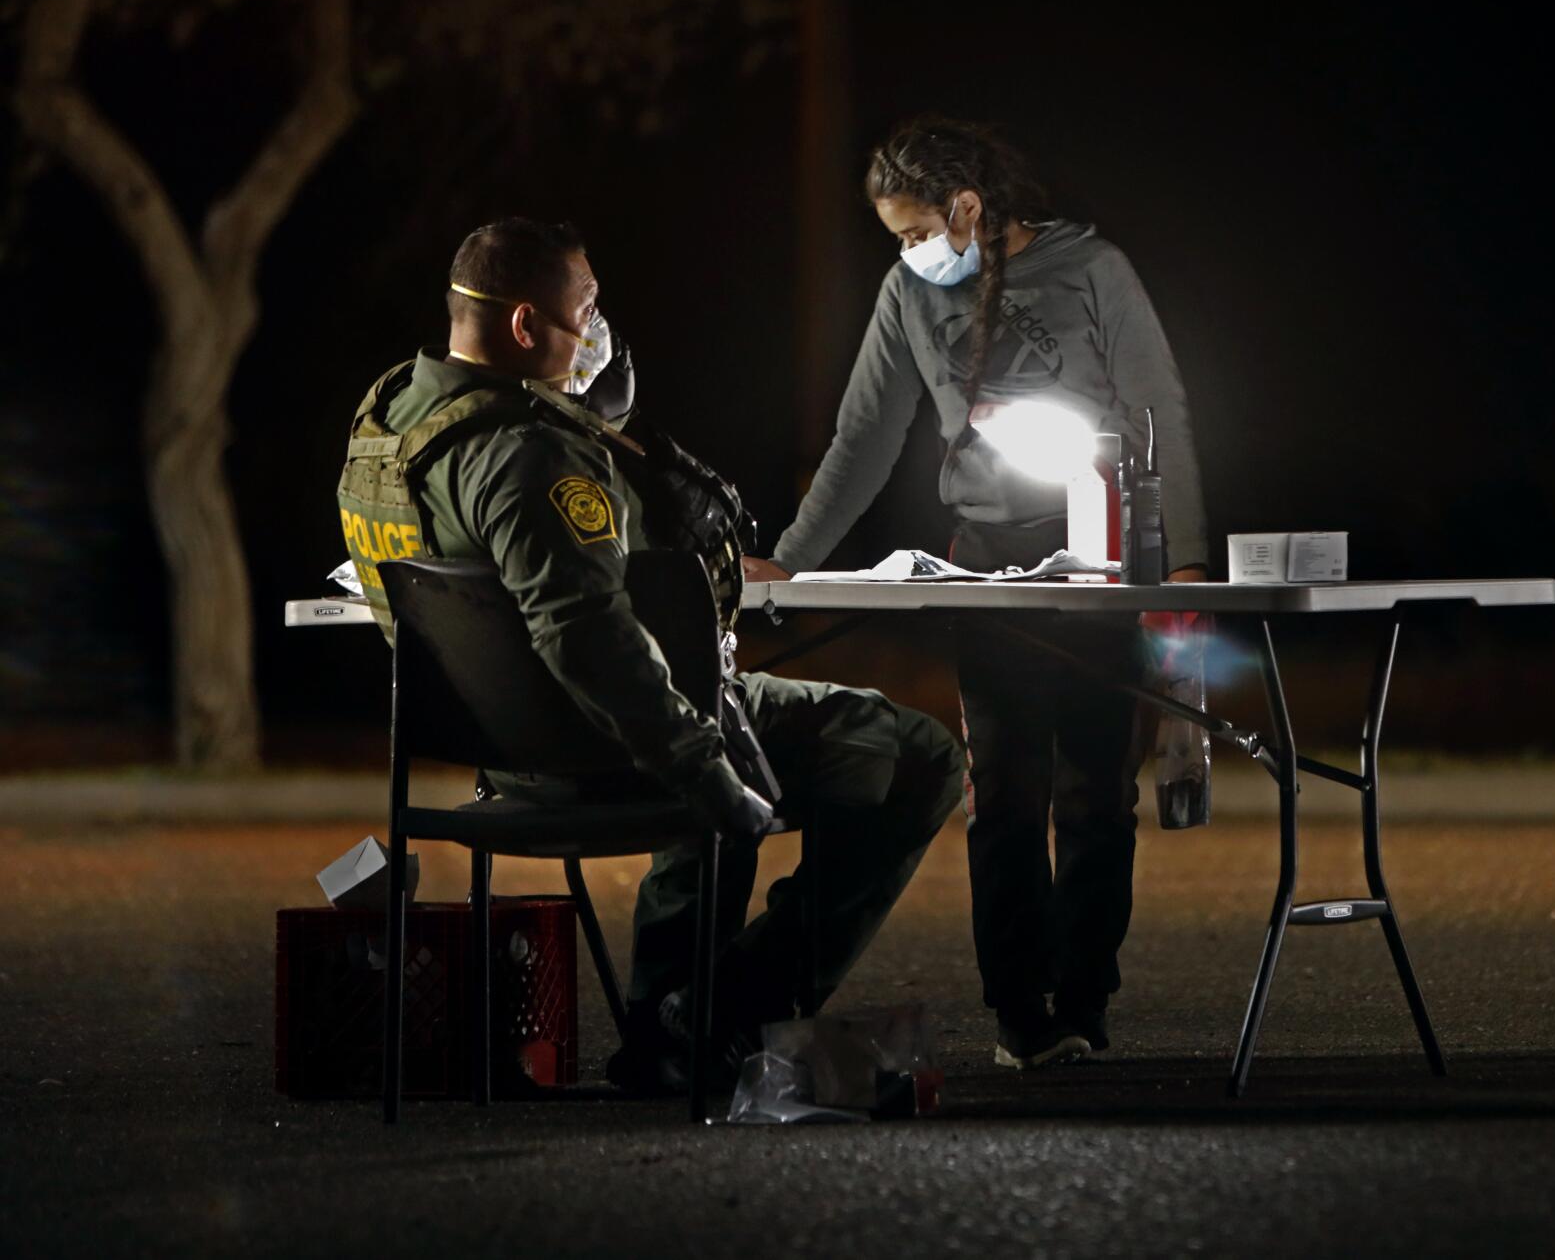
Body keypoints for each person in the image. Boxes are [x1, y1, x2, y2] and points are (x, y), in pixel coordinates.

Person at [336, 218, 963, 1091]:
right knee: (920, 754)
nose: (598, 328)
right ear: (524, 326)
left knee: (698, 709)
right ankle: (717, 1010)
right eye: (585, 308)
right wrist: (705, 771)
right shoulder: (528, 455)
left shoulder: (388, 420)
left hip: (500, 760)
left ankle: (668, 1037)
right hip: (596, 750)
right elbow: (586, 639)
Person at [747, 118, 1210, 1069]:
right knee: (1002, 788)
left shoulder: (1094, 270)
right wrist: (790, 561)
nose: (911, 253)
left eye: (917, 231)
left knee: (1095, 790)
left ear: (967, 207)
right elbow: (864, 435)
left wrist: (1186, 564)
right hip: (988, 560)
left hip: (1102, 552)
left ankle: (1084, 1001)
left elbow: (1160, 405)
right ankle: (1019, 1011)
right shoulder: (908, 296)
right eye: (896, 240)